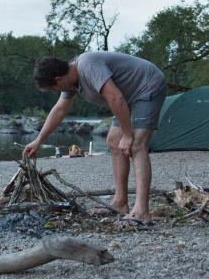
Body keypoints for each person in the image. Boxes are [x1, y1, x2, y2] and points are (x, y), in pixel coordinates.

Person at [23, 52, 167, 225]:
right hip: (127, 94)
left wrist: (128, 135)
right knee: (114, 141)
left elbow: (115, 97)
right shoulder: (71, 82)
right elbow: (59, 110)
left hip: (147, 85)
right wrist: (39, 140)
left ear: (59, 79)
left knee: (137, 144)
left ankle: (142, 211)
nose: (56, 92)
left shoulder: (88, 66)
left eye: (54, 88)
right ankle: (120, 203)